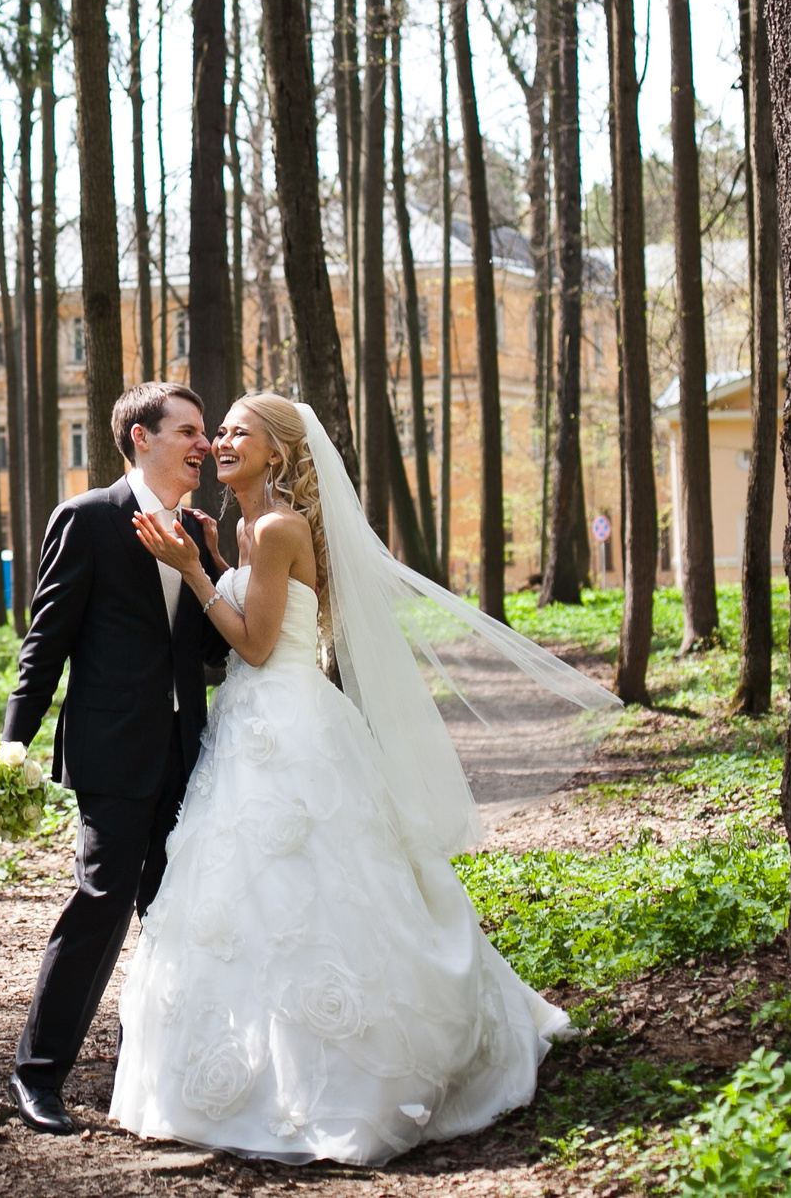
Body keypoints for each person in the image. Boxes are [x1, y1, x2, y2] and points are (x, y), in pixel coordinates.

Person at [106, 392, 618, 1164]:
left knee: (314, 889)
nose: (220, 441)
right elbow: (263, 620)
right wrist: (215, 560)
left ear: (277, 453)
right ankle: (247, 1078)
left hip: (289, 726)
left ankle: (339, 1079)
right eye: (219, 431)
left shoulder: (276, 527)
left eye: (238, 431)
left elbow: (254, 642)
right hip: (253, 728)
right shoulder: (250, 530)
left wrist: (191, 570)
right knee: (250, 894)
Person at [1, 382, 227, 1135]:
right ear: (140, 437)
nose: (204, 445)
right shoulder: (88, 517)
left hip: (187, 751)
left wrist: (214, 567)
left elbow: (212, 653)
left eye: (205, 431)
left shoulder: (198, 525)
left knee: (171, 911)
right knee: (102, 900)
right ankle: (38, 1074)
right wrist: (11, 742)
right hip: (109, 748)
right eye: (189, 430)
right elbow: (47, 639)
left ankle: (148, 1073)